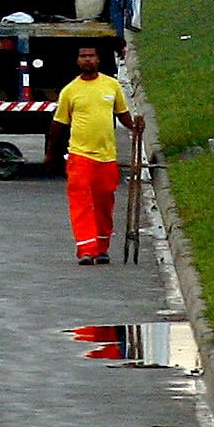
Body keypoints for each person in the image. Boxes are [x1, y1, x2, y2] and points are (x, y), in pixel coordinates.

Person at [55, 45, 141, 264]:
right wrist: (50, 153)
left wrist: (134, 127)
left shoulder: (111, 85)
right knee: (81, 203)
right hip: (79, 156)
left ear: (98, 59)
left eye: (91, 56)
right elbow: (58, 125)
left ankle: (102, 247)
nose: (87, 60)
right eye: (83, 56)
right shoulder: (70, 90)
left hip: (106, 157)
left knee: (104, 202)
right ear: (77, 61)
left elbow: (122, 114)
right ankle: (86, 249)